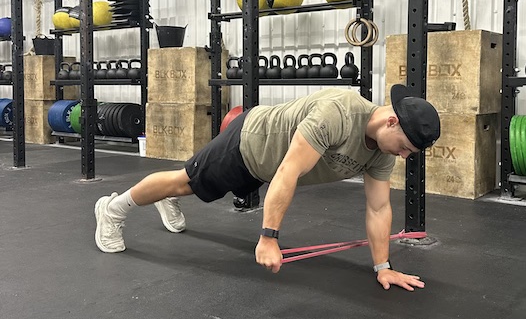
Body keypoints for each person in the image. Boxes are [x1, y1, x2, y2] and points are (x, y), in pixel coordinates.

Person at [94, 84, 440, 291]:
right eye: (406, 147)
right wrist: (268, 236)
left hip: (266, 166)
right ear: (391, 121)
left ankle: (164, 200)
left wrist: (384, 268)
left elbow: (378, 208)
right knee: (184, 182)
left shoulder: (382, 151)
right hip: (249, 143)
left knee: (188, 187)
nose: (405, 156)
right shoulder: (337, 114)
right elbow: (288, 172)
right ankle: (113, 209)